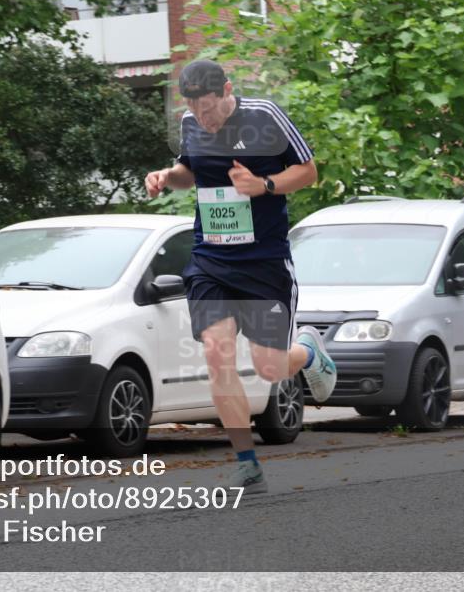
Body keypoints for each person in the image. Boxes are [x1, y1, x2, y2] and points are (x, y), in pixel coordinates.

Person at [144, 59, 337, 494]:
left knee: (270, 368)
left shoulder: (264, 117)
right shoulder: (191, 124)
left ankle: (308, 351)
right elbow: (189, 172)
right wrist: (166, 177)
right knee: (217, 352)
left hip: (264, 262)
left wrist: (263, 185)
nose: (204, 119)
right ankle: (247, 464)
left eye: (210, 108)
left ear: (228, 90)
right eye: (195, 110)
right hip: (211, 259)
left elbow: (308, 172)